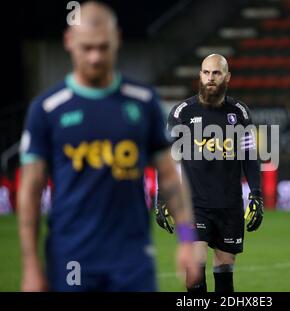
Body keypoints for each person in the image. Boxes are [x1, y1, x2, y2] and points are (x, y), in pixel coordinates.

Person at [17, 1, 199, 292]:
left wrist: (188, 239)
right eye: (86, 48)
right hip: (71, 256)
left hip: (132, 256)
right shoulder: (47, 109)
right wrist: (30, 265)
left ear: (118, 40)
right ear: (69, 41)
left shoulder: (143, 102)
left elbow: (169, 175)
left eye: (103, 47)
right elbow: (30, 189)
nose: (95, 57)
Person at [155, 54, 264, 292]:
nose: (210, 78)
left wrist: (256, 194)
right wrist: (161, 197)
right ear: (200, 76)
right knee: (195, 264)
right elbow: (167, 160)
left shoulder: (240, 113)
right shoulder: (182, 112)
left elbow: (249, 156)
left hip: (229, 205)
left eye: (216, 73)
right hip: (193, 205)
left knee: (225, 265)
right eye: (206, 72)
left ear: (227, 77)